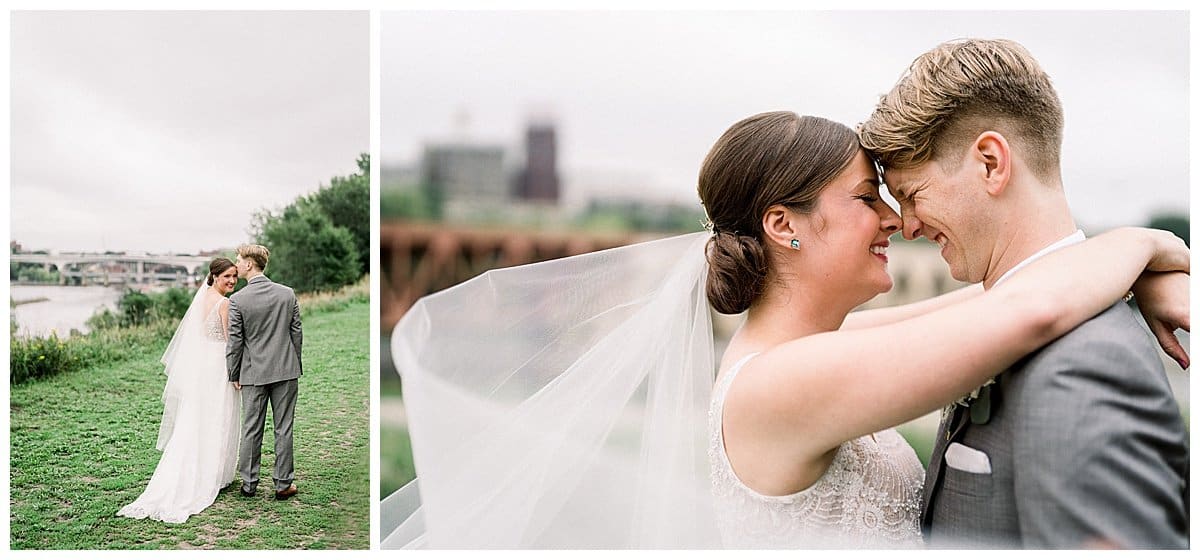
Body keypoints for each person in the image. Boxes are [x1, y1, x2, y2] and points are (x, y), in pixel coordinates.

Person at [382, 111, 1188, 548]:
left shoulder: (803, 357)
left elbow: (997, 301)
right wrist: (1151, 245)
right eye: (866, 199)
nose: (895, 221)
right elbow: (1033, 311)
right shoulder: (778, 386)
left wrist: (1126, 278)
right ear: (785, 225)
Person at [857, 38, 1189, 548]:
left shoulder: (1084, 366)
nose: (907, 226)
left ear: (991, 163)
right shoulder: (1015, 314)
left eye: (912, 195)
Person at [117, 258, 241, 524]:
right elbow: (231, 343)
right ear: (215, 275)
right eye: (228, 276)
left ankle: (207, 470)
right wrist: (236, 373)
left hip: (202, 368)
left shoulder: (202, 298)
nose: (232, 280)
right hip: (218, 367)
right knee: (217, 418)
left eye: (235, 276)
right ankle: (211, 475)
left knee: (198, 419)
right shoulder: (225, 303)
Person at [227, 244, 303, 501]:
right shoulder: (287, 294)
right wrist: (294, 363)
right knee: (284, 428)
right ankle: (283, 484)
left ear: (249, 264)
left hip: (252, 373)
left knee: (251, 428)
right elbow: (296, 334)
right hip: (286, 369)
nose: (236, 265)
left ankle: (249, 484)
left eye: (238, 260)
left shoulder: (237, 300)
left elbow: (235, 342)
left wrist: (233, 373)